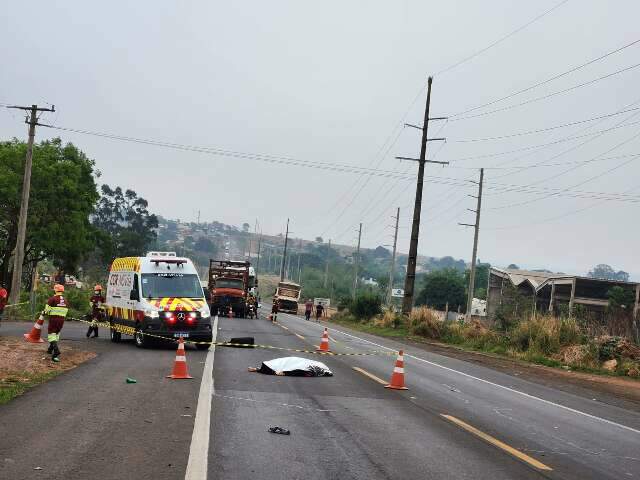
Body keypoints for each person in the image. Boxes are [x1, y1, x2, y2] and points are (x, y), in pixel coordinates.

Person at [44, 284, 69, 362]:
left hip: (53, 319)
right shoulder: (65, 300)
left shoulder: (52, 299)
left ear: (55, 290)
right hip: (61, 320)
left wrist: (43, 313)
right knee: (56, 333)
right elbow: (66, 310)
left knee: (51, 334)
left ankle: (56, 352)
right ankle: (50, 349)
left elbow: (47, 310)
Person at [248, 356, 333, 377]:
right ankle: (259, 369)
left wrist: (285, 372)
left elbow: (300, 370)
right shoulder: (319, 366)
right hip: (294, 361)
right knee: (288, 361)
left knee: (292, 363)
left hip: (300, 364)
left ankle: (259, 369)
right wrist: (257, 369)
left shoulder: (320, 368)